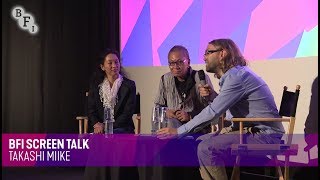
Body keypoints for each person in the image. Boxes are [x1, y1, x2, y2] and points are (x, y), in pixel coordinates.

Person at [157, 39, 285, 180]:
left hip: (265, 135)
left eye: (208, 52)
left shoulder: (237, 77)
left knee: (207, 148)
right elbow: (224, 107)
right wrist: (212, 95)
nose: (204, 57)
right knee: (198, 141)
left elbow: (213, 111)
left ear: (222, 53)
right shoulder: (235, 75)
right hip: (248, 130)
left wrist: (178, 131)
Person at [85, 48, 139, 180]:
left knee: (115, 139)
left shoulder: (129, 85)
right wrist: (97, 123)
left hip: (122, 128)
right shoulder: (95, 85)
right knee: (98, 140)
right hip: (101, 129)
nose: (114, 66)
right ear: (102, 66)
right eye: (110, 63)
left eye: (116, 62)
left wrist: (107, 126)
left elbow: (127, 114)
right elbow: (91, 110)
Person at [154, 45, 217, 131]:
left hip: (197, 127)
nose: (175, 67)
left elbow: (211, 108)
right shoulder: (165, 79)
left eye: (180, 62)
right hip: (173, 126)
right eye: (171, 63)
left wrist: (190, 116)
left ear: (188, 62)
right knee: (169, 123)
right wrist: (166, 112)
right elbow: (157, 107)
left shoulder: (200, 77)